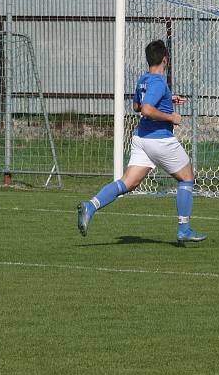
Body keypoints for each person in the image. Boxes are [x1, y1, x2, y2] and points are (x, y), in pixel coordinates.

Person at [77, 39, 206, 243]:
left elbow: (137, 106)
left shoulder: (143, 80)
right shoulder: (159, 82)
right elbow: (146, 109)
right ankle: (184, 229)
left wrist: (167, 100)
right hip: (159, 140)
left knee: (128, 182)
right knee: (187, 176)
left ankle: (90, 206)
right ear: (166, 60)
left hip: (141, 139)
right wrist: (172, 117)